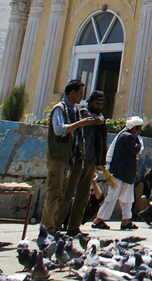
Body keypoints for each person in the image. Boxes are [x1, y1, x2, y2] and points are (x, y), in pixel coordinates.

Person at [43, 79, 104, 232]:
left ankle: (73, 226)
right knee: (61, 193)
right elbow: (59, 129)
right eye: (80, 94)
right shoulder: (76, 111)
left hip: (84, 158)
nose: (81, 97)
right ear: (72, 93)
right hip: (70, 158)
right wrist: (84, 123)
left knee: (82, 195)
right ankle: (52, 226)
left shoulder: (75, 111)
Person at [65, 89, 108, 235]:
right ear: (90, 102)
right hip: (80, 158)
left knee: (83, 195)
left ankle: (73, 227)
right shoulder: (83, 112)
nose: (99, 106)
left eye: (102, 104)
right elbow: (92, 121)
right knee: (68, 193)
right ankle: (57, 225)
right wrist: (100, 120)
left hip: (91, 159)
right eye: (97, 103)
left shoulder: (100, 116)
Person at [92, 116, 143, 230]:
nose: (140, 132)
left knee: (127, 198)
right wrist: (139, 142)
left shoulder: (126, 136)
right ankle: (99, 219)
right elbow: (135, 149)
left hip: (125, 173)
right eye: (139, 129)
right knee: (112, 196)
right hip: (120, 173)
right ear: (134, 128)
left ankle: (126, 220)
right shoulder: (127, 137)